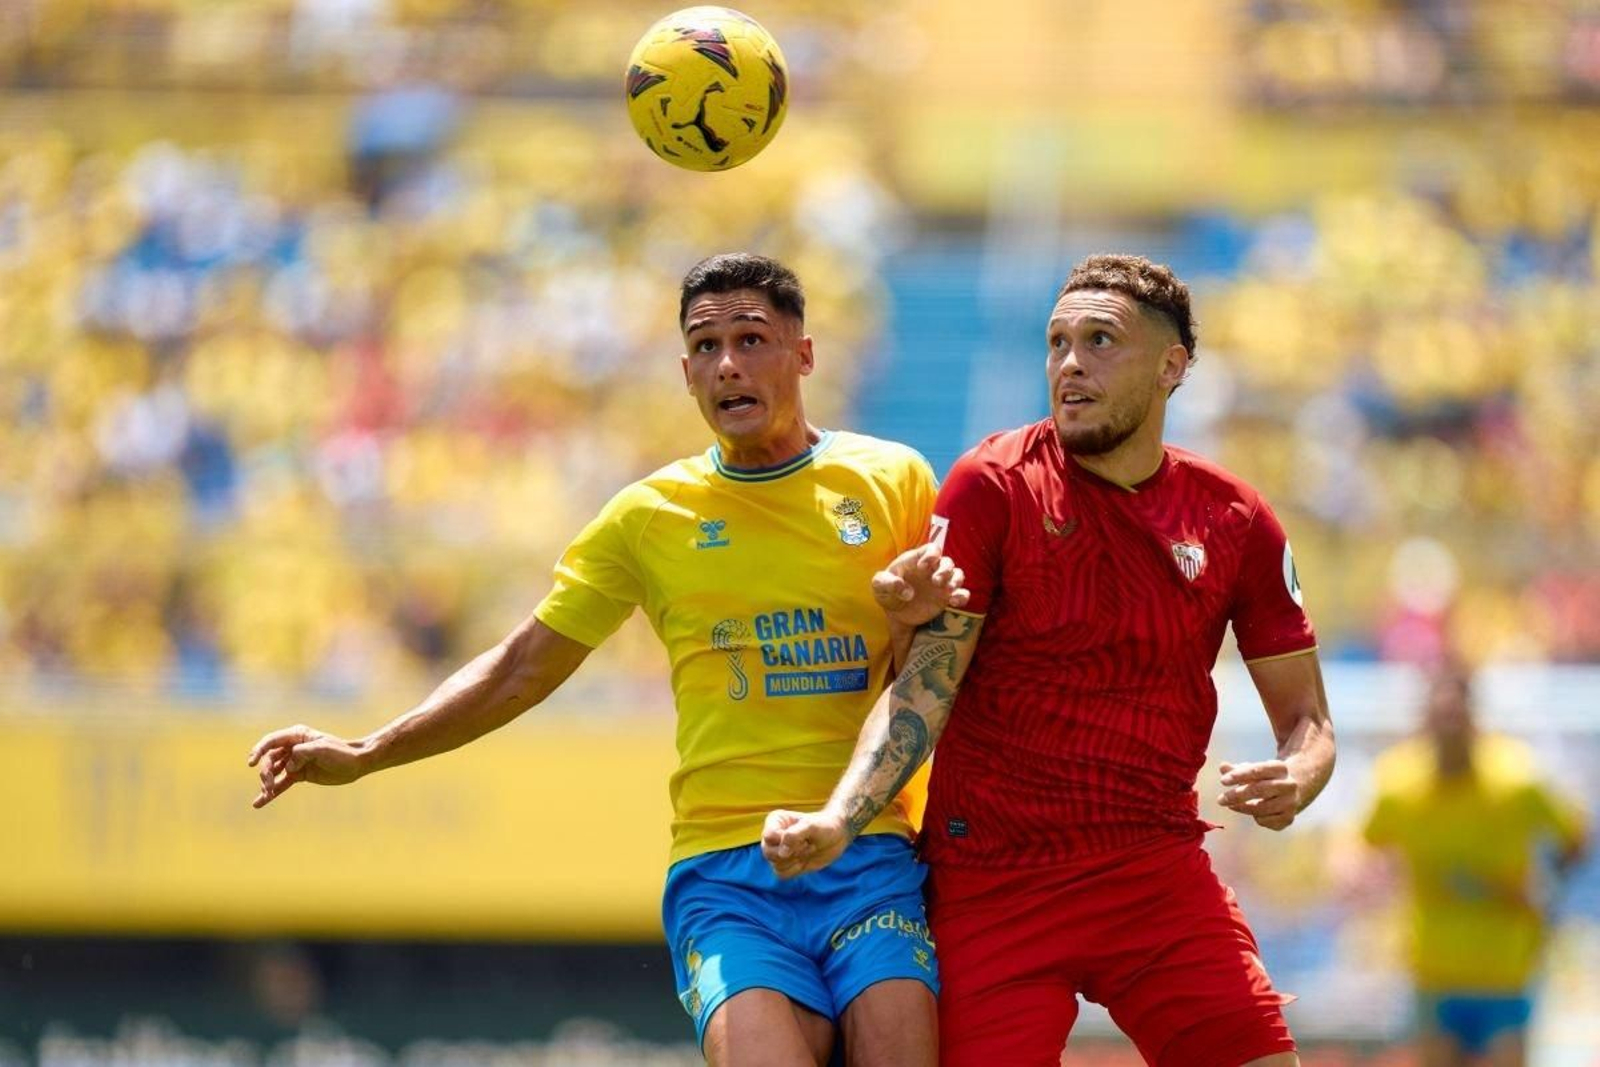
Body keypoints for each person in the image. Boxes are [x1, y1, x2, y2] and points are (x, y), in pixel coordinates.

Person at [248, 253, 968, 1067]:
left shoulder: (893, 478)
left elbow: (928, 675)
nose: (727, 363)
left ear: (803, 354)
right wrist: (368, 749)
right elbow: (521, 666)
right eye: (704, 346)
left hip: (866, 848)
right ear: (685, 373)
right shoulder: (647, 517)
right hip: (728, 873)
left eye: (751, 338)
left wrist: (914, 619)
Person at [763, 253, 1337, 1067]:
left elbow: (1309, 721)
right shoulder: (992, 485)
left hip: (1152, 865)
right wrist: (839, 816)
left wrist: (1298, 774)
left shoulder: (1234, 517)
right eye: (1057, 342)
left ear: (1172, 366)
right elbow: (925, 691)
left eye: (1101, 340)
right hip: (993, 876)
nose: (1070, 364)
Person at [1362, 663, 1589, 1067]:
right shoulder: (1399, 783)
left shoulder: (1517, 779)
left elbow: (1575, 836)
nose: (1448, 726)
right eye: (1440, 715)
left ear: (1472, 717)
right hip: (1433, 970)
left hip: (1504, 969)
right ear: (1425, 720)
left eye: (1456, 715)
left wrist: (1547, 889)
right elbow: (1366, 846)